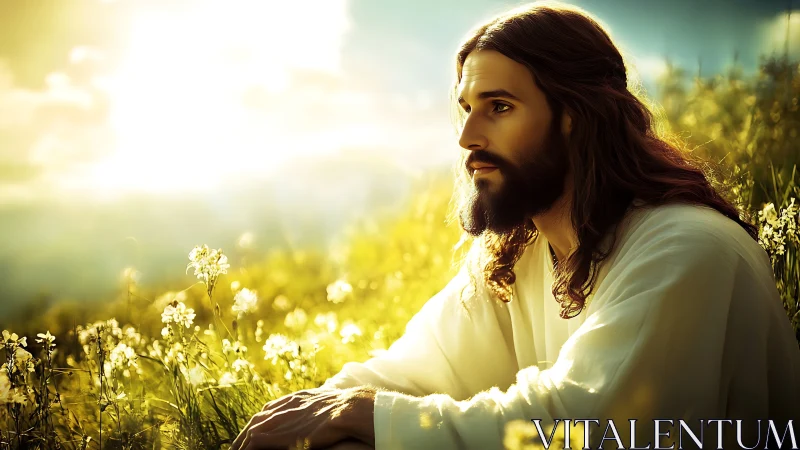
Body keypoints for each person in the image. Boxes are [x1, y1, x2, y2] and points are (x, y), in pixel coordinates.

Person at [232, 2, 800, 449]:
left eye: (499, 107)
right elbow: (411, 374)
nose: (467, 138)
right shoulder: (519, 258)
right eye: (467, 108)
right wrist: (322, 413)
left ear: (575, 116)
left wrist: (370, 417)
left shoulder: (687, 250)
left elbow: (582, 427)